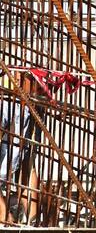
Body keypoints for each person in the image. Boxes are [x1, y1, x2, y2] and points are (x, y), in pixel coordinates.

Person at [0, 75, 39, 225]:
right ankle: (29, 219)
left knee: (27, 163)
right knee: (27, 163)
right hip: (19, 101)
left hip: (16, 100)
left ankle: (6, 217)